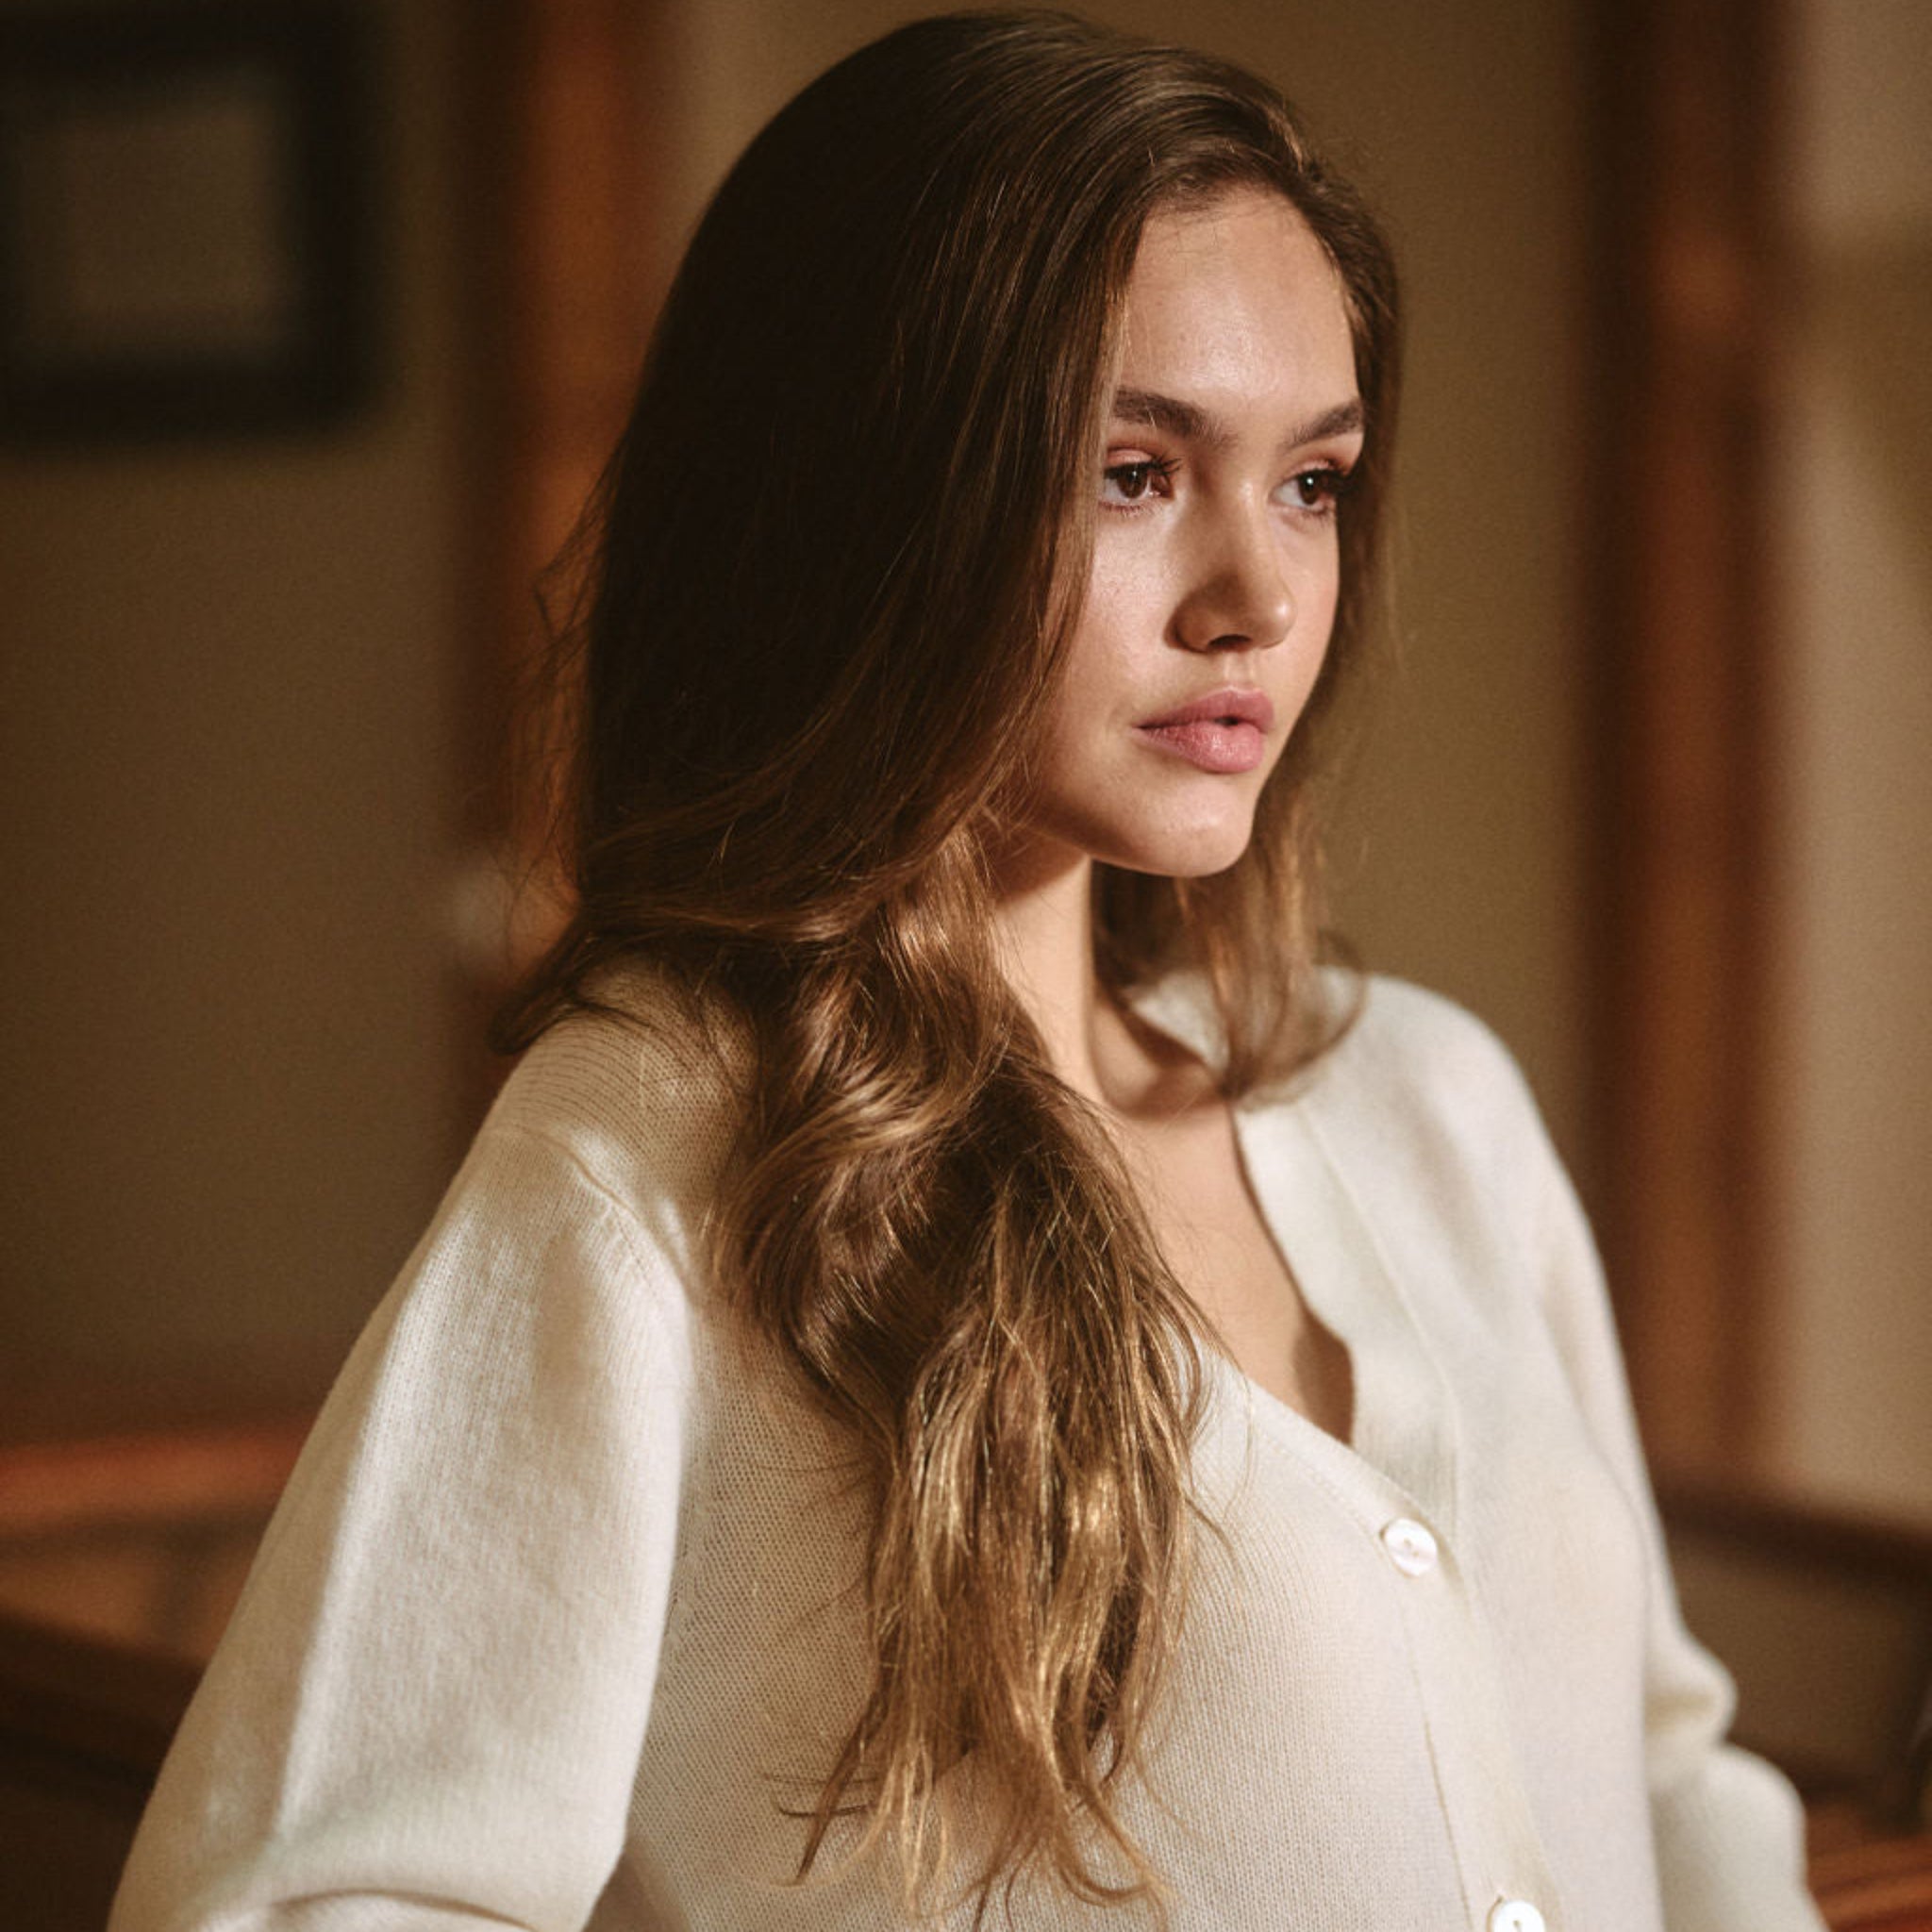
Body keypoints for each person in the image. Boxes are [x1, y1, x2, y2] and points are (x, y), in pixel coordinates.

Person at [111, 12, 1826, 1930]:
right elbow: (298, 1900)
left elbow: (1668, 1772)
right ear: (873, 502)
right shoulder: (657, 1163)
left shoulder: (1427, 1103)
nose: (1256, 598)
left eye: (1310, 482)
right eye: (1130, 470)